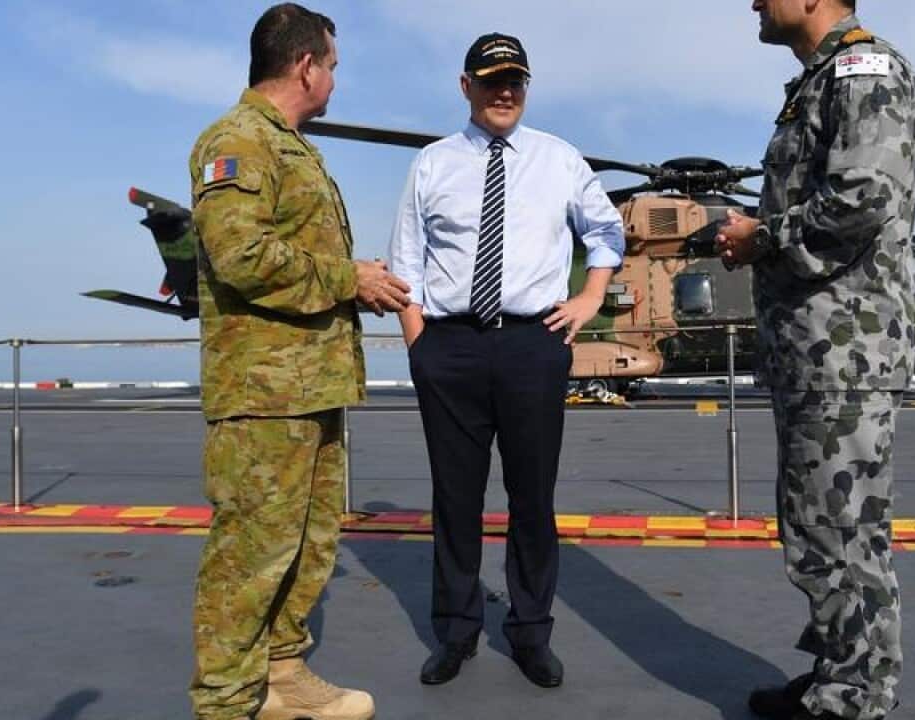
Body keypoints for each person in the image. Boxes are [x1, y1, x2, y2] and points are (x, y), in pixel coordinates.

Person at [187, 4, 410, 719]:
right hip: (263, 395)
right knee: (250, 554)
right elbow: (241, 256)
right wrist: (350, 278)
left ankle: (281, 678)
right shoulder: (238, 141)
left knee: (309, 545)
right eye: (333, 67)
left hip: (311, 387)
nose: (335, 82)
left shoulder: (291, 147)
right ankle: (225, 703)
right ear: (306, 65)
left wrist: (356, 279)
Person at [387, 32, 624, 690]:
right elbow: (405, 261)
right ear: (466, 87)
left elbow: (606, 230)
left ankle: (530, 631)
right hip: (450, 346)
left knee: (532, 498)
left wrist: (590, 299)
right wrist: (421, 346)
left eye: (515, 80)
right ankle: (457, 630)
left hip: (531, 343)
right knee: (454, 498)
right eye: (491, 80)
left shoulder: (559, 159)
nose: (504, 92)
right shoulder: (432, 164)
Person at [716, 1, 915, 718]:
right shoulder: (823, 79)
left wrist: (762, 237)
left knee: (839, 529)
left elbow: (863, 197)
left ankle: (854, 696)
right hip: (817, 350)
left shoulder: (865, 71)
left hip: (844, 352)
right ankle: (843, 673)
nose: (753, 2)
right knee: (823, 525)